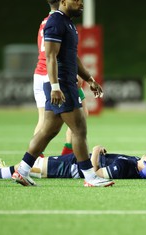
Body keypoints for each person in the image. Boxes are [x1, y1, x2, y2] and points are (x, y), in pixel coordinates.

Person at [12, 0, 114, 187]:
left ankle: (23, 170)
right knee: (79, 128)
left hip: (64, 82)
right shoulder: (56, 22)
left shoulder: (66, 22)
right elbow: (51, 56)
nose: (81, 3)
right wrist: (55, 86)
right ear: (63, 2)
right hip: (62, 84)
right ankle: (90, 177)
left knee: (49, 130)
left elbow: (71, 56)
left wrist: (90, 78)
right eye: (76, 0)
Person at [34, 0, 88, 156]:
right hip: (54, 76)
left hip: (41, 73)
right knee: (79, 120)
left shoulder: (46, 21)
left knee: (45, 123)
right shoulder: (59, 21)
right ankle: (66, 158)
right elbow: (56, 54)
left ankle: (32, 162)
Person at [0, 146, 146, 180]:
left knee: (25, 168)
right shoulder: (133, 162)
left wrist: (96, 151)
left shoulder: (125, 168)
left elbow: (96, 174)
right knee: (32, 164)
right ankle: (1, 170)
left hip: (69, 168)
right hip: (73, 160)